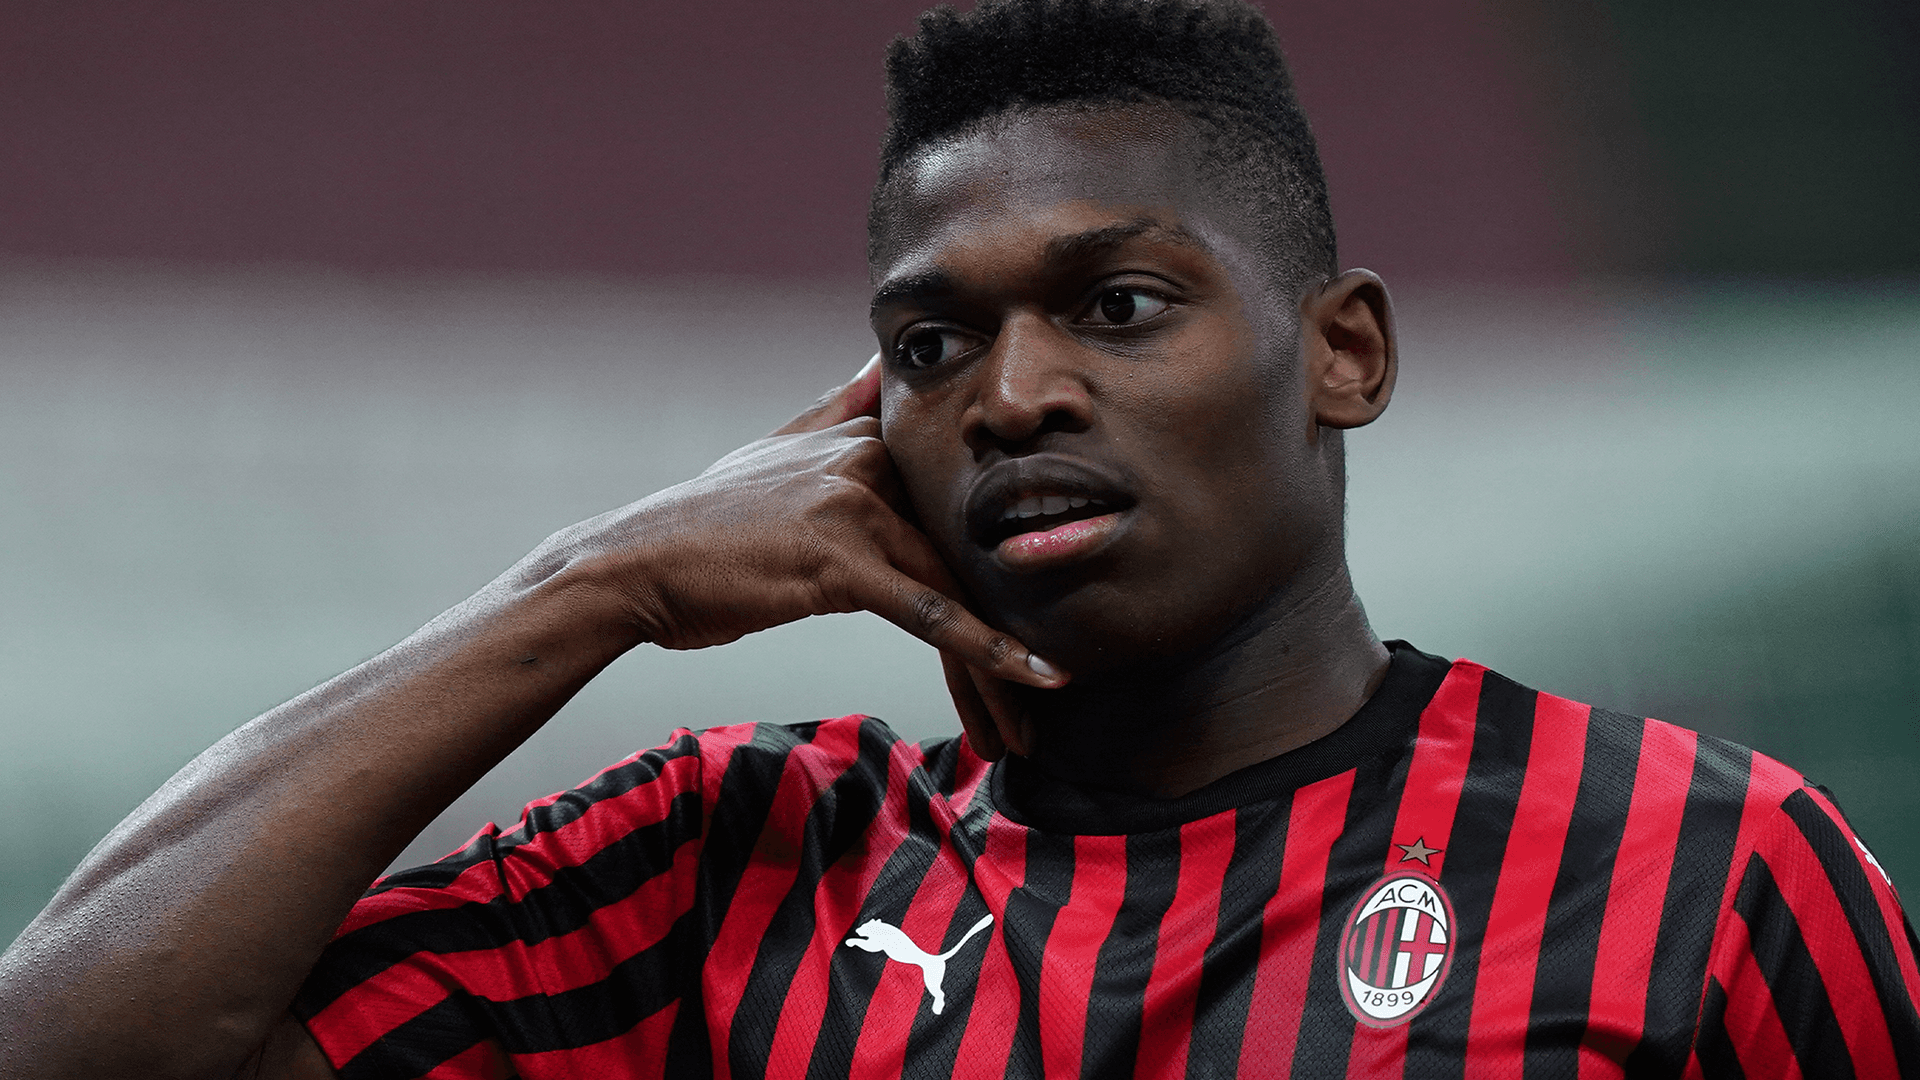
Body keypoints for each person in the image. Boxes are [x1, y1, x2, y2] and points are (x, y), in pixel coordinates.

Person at [2, 1, 1916, 1077]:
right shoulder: (737, 864)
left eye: (1118, 306)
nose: (1011, 396)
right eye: (930, 345)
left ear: (1343, 353)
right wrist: (589, 587)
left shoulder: (1712, 870)